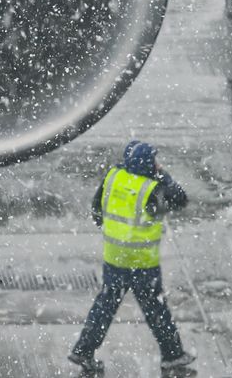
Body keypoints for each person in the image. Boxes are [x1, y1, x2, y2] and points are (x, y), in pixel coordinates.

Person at [68, 141, 196, 374]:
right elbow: (180, 198)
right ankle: (172, 355)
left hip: (114, 257)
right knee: (156, 309)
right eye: (154, 160)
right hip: (142, 262)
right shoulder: (152, 188)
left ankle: (83, 350)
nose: (157, 163)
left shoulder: (114, 176)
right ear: (148, 165)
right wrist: (163, 175)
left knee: (105, 305)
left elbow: (97, 209)